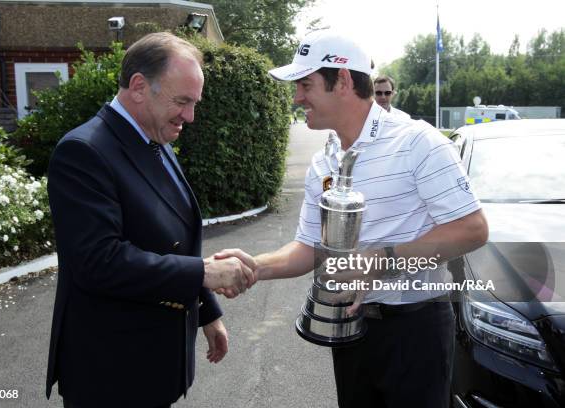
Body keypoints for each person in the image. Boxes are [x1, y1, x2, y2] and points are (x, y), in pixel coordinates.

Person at [217, 29, 488, 408]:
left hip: (415, 330)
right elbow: (310, 248)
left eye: (305, 84)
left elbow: (472, 230)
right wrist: (253, 266)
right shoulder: (323, 160)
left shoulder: (417, 143)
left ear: (342, 80)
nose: (296, 97)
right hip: (350, 328)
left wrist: (380, 261)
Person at [46, 32, 257, 408]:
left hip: (154, 365)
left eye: (194, 103)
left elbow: (173, 238)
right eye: (182, 101)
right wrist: (202, 274)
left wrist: (206, 312)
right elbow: (98, 261)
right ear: (139, 87)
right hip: (112, 374)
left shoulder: (155, 138)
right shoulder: (84, 151)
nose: (190, 117)